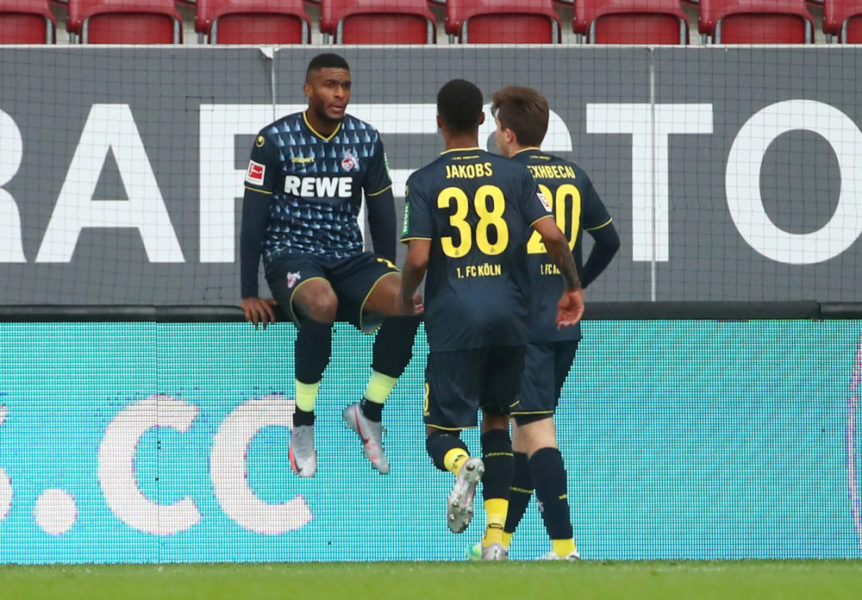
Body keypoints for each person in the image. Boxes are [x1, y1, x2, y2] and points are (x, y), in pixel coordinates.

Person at [398, 79, 584, 561]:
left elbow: (418, 257)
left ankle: (461, 464)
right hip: (511, 318)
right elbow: (553, 235)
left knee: (441, 433)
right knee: (499, 422)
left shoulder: (423, 181)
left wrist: (405, 294)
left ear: (439, 123)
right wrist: (572, 284)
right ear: (483, 122)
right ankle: (495, 539)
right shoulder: (514, 176)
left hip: (454, 318)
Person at [240, 52, 420, 478]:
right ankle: (302, 423)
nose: (339, 94)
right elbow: (253, 221)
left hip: (348, 255)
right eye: (329, 85)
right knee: (322, 303)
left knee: (407, 300)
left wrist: (386, 273)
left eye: (345, 86)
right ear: (308, 89)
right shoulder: (275, 140)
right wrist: (248, 290)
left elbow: (381, 213)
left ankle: (368, 411)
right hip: (291, 253)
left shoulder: (366, 139)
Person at [468, 85, 620, 561]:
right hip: (562, 328)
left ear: (508, 133)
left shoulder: (504, 178)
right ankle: (499, 544)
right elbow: (610, 241)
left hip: (521, 325)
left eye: (495, 127)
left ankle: (565, 547)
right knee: (525, 436)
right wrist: (576, 288)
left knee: (537, 433)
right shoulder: (573, 175)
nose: (493, 136)